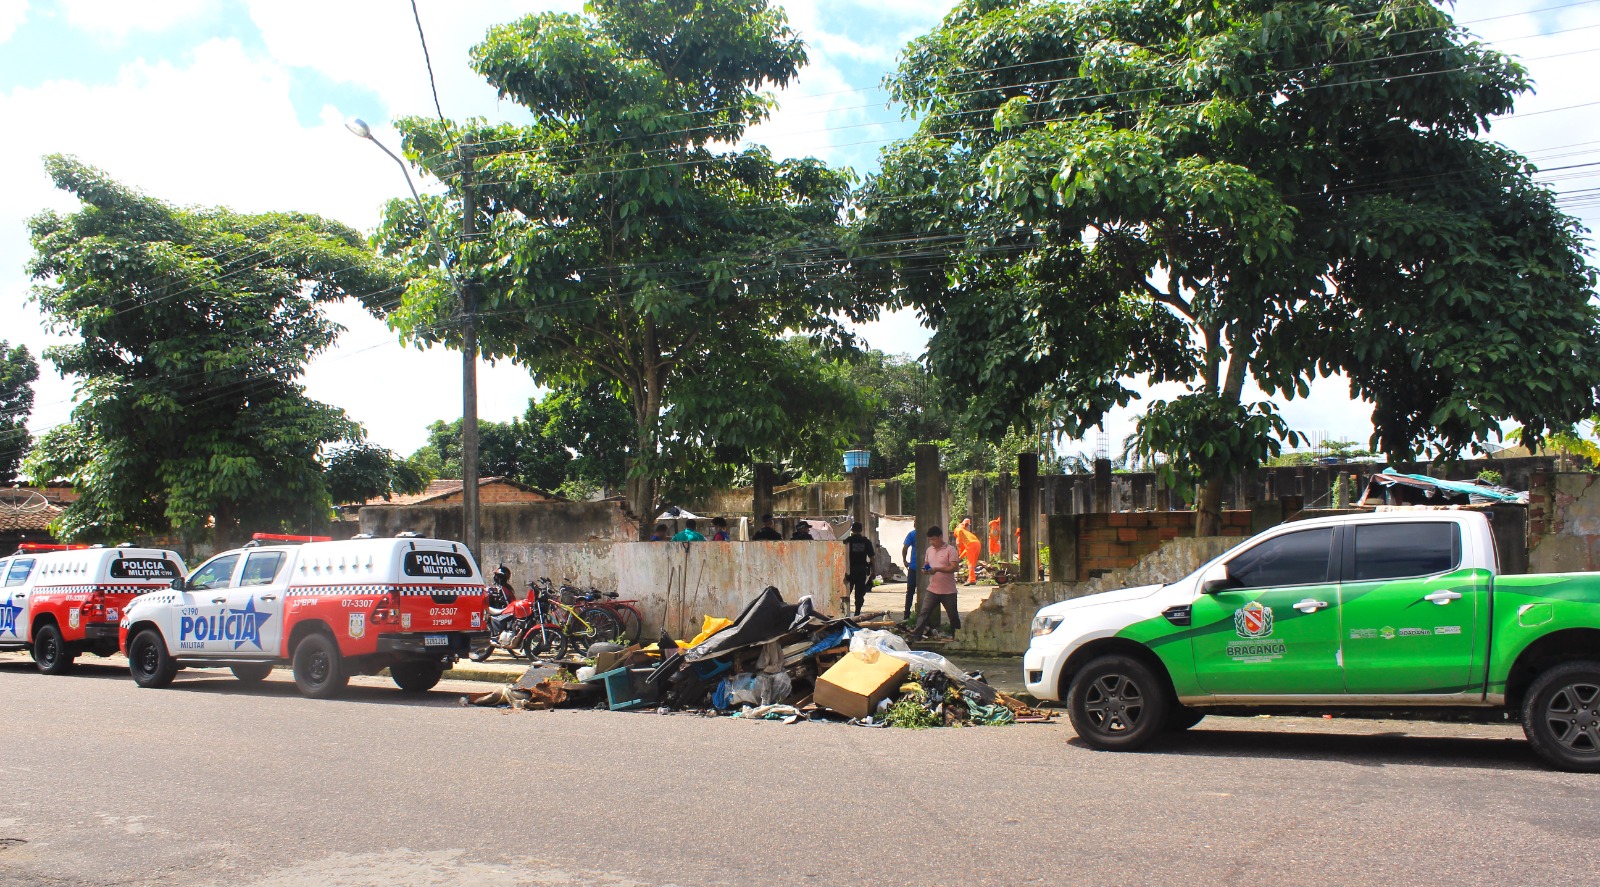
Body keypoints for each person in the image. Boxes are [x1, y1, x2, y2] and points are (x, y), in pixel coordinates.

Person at [911, 525, 962, 640]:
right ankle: (916, 636)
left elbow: (954, 568)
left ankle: (958, 637)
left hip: (948, 590)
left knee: (953, 615)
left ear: (940, 537)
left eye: (934, 539)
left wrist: (937, 569)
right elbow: (927, 564)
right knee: (924, 613)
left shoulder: (950, 550)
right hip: (933, 588)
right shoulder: (929, 550)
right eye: (930, 540)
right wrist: (926, 569)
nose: (932, 542)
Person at [842, 521, 874, 616]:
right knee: (860, 593)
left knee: (846, 592)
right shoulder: (866, 542)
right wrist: (874, 571)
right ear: (861, 530)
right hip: (861, 570)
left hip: (850, 570)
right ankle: (857, 612)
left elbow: (842, 555)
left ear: (852, 530)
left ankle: (845, 613)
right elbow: (872, 557)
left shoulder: (847, 541)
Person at [954, 517, 981, 585]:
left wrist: (959, 541)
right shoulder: (967, 534)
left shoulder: (958, 530)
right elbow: (967, 550)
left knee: (970, 563)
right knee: (973, 563)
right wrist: (960, 557)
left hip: (971, 545)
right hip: (977, 544)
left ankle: (971, 580)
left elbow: (959, 532)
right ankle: (972, 578)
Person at [900, 527, 917, 622]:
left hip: (913, 567)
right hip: (926, 568)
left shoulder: (912, 534)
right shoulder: (927, 534)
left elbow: (905, 548)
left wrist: (904, 561)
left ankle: (907, 614)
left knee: (910, 592)